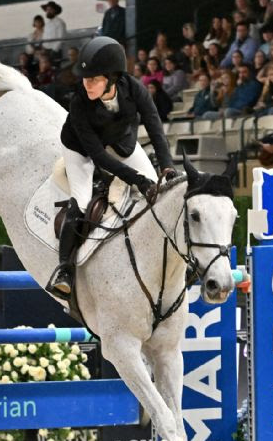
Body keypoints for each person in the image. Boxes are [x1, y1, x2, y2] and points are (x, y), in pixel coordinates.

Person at [46, 36, 176, 299]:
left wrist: (167, 167)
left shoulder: (135, 89)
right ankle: (64, 270)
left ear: (112, 78)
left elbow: (155, 128)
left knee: (159, 192)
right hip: (81, 149)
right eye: (85, 79)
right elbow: (98, 156)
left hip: (119, 142)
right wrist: (137, 180)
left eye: (93, 79)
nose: (87, 84)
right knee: (82, 202)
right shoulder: (79, 102)